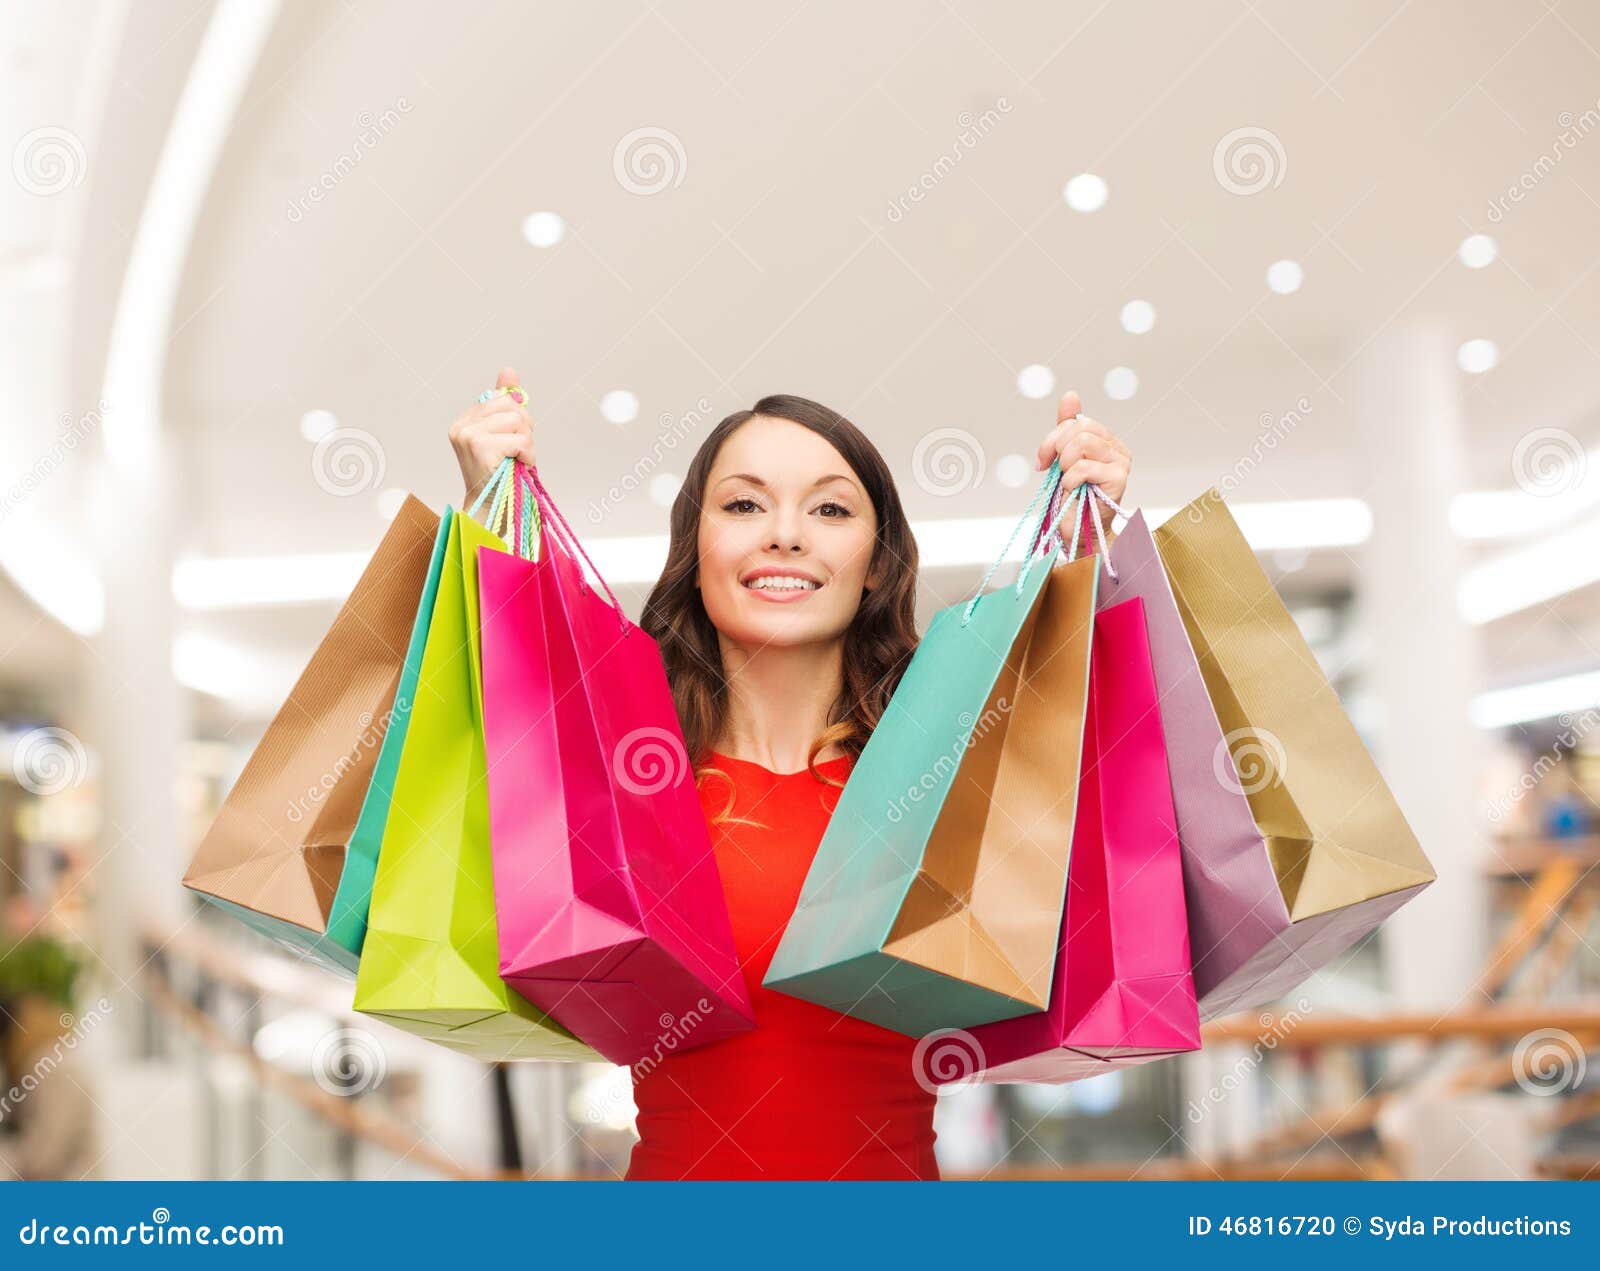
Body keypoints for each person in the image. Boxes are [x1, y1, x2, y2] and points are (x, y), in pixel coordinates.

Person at [449, 368, 1132, 1180]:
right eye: (743, 504)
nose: (785, 533)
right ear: (696, 552)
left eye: (831, 508)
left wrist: (1096, 562)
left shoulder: (949, 777)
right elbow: (491, 758)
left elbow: (1104, 856)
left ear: (876, 564)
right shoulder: (629, 781)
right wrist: (490, 513)